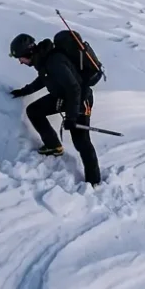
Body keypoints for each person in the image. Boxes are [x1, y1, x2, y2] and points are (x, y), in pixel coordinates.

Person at [9, 32, 101, 186]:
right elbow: (44, 78)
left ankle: (94, 180)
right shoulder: (44, 59)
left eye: (20, 57)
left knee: (81, 141)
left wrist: (71, 118)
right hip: (64, 97)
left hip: (80, 100)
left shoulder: (54, 61)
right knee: (34, 110)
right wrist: (25, 91)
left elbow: (74, 89)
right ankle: (53, 146)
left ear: (28, 53)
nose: (20, 62)